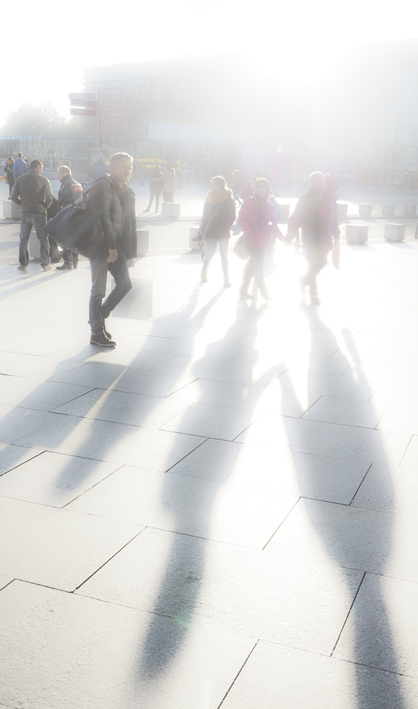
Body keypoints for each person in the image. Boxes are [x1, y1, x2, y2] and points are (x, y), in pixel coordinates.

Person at [86, 152, 137, 347]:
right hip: (101, 246)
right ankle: (96, 333)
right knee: (98, 290)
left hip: (119, 248)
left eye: (130, 167)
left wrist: (130, 253)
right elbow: (102, 216)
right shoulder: (103, 184)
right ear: (112, 166)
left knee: (125, 284)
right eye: (123, 166)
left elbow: (130, 224)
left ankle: (98, 318)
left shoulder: (129, 192)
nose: (127, 170)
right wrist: (110, 246)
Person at [287, 171, 340, 305]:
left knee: (321, 263)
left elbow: (334, 219)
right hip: (310, 239)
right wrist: (289, 236)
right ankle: (313, 295)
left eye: (322, 181)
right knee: (312, 264)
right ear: (311, 183)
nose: (321, 183)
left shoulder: (330, 198)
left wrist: (336, 236)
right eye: (318, 181)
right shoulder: (305, 199)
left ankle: (303, 280)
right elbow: (295, 219)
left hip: (325, 238)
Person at [237, 177, 285, 301]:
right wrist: (248, 231)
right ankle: (266, 295)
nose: (261, 190)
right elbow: (241, 219)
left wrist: (283, 239)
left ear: (268, 190)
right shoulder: (249, 202)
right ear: (255, 189)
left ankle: (243, 289)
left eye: (264, 188)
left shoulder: (269, 205)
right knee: (258, 268)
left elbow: (273, 225)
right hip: (252, 241)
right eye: (258, 187)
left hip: (264, 242)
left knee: (253, 266)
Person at [10, 159, 54, 272]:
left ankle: (23, 264)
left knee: (23, 239)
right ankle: (45, 264)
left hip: (25, 213)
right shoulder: (43, 180)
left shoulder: (20, 179)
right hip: (39, 213)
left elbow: (13, 196)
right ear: (38, 167)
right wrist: (44, 206)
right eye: (42, 167)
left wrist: (23, 204)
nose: (42, 169)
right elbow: (50, 198)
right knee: (43, 239)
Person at [197, 176, 235, 287]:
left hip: (223, 231)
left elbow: (232, 216)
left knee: (224, 255)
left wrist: (226, 227)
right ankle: (204, 272)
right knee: (210, 253)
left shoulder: (228, 198)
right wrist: (200, 230)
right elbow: (205, 216)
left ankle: (226, 279)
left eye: (212, 184)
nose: (211, 186)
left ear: (219, 185)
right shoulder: (209, 197)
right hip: (211, 230)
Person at [55, 165, 83, 271]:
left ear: (65, 173)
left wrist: (62, 207)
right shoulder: (77, 184)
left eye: (59, 173)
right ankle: (75, 261)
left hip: (68, 216)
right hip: (78, 215)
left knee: (66, 239)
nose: (57, 176)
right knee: (75, 240)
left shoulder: (66, 184)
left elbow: (65, 201)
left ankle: (67, 263)